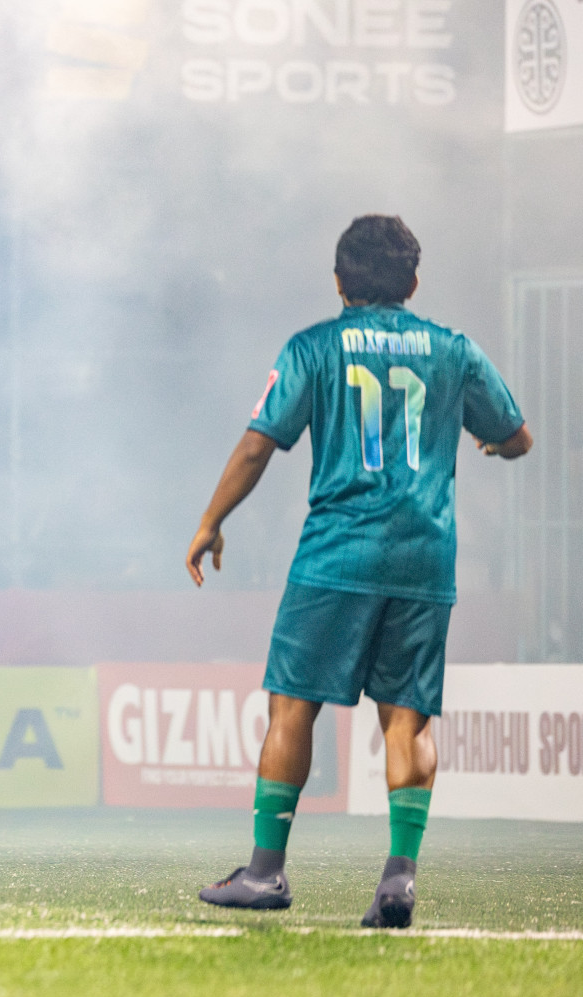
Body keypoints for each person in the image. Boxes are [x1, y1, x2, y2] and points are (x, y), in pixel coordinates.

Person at [185, 215, 532, 928]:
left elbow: (259, 446)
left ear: (339, 281)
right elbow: (516, 436)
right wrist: (493, 448)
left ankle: (265, 872)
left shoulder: (315, 346)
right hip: (423, 554)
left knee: (293, 705)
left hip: (337, 553)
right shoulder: (452, 349)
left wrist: (210, 521)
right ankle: (399, 881)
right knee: (408, 719)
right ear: (412, 282)